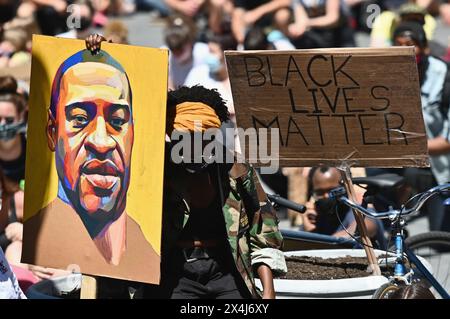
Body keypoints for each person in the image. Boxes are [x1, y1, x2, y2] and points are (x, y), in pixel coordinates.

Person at [22, 36, 159, 284]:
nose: (101, 141)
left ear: (133, 135)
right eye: (79, 119)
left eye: (117, 121)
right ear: (52, 133)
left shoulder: (151, 255)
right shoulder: (38, 238)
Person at [143, 85, 286, 299]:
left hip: (226, 269)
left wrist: (268, 290)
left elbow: (263, 227)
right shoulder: (156, 169)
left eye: (204, 140)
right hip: (176, 273)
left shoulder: (235, 167)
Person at [393, 21, 450, 232]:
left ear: (424, 47)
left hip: (439, 164)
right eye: (397, 45)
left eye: (409, 44)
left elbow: (447, 142)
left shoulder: (445, 76)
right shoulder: (386, 75)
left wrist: (408, 147)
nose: (403, 51)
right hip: (401, 158)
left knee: (440, 241)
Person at [302, 166, 386, 247]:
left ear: (346, 188)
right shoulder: (317, 217)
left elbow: (364, 228)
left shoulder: (361, 211)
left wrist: (322, 243)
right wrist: (309, 232)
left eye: (333, 191)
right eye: (320, 192)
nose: (326, 196)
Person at [163, 15, 209, 90]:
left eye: (180, 50)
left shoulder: (204, 52)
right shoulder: (164, 54)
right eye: (173, 50)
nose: (177, 55)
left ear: (190, 43)